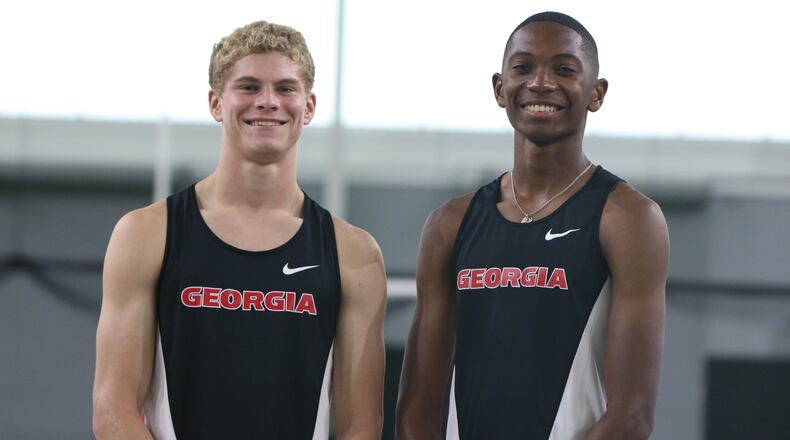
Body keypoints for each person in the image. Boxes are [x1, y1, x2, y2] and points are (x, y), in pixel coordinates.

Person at [92, 21, 386, 440]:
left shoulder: (353, 252)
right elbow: (112, 409)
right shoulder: (145, 235)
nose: (267, 102)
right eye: (249, 87)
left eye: (285, 89)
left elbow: (362, 425)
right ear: (216, 103)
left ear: (309, 106)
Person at [396, 11, 668, 440]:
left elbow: (631, 415)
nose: (541, 82)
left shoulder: (629, 219)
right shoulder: (449, 224)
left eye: (563, 69)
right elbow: (415, 411)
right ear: (500, 89)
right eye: (523, 67)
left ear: (596, 93)